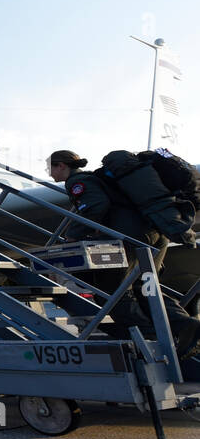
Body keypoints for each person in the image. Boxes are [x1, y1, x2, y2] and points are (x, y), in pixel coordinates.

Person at [47, 149, 200, 358]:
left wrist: (73, 235)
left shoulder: (78, 182)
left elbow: (95, 205)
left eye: (51, 168)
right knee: (147, 287)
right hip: (154, 231)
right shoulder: (101, 178)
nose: (50, 174)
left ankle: (152, 340)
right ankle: (185, 326)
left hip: (128, 236)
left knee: (115, 293)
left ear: (61, 166)